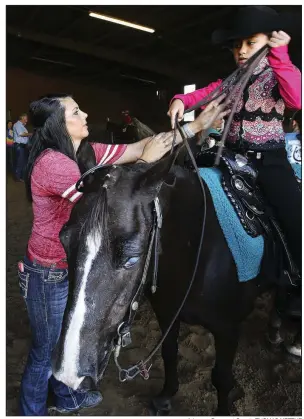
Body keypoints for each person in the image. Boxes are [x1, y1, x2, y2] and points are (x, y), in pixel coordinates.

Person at [19, 93, 228, 416]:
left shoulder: (86, 153)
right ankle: (31, 410)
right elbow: (103, 199)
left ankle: (67, 397)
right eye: (76, 111)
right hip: (50, 269)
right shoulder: (52, 163)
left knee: (67, 333)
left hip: (75, 265)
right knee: (46, 348)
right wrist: (144, 166)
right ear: (60, 124)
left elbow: (139, 148)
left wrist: (195, 125)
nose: (85, 113)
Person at [168, 6, 302, 275]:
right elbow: (203, 94)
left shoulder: (279, 73)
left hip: (269, 162)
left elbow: (296, 98)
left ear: (270, 41)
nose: (241, 50)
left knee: (295, 215)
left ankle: (296, 278)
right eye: (236, 45)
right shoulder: (230, 81)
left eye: (250, 43)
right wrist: (180, 99)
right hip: (229, 157)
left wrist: (280, 55)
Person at [13, 113, 31, 182]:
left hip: (22, 146)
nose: (27, 120)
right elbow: (21, 134)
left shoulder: (21, 126)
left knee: (23, 162)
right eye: (26, 119)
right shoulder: (17, 125)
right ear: (22, 118)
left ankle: (20, 177)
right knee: (19, 162)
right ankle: (17, 178)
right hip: (19, 146)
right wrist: (31, 134)